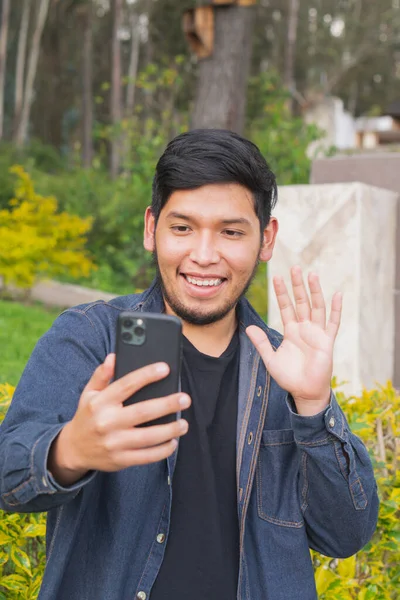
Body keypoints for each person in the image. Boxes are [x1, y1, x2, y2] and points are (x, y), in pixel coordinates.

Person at [0, 129, 378, 600]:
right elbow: (9, 477)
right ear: (150, 229)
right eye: (182, 228)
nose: (203, 255)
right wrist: (70, 450)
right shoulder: (89, 338)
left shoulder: (286, 368)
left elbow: (346, 535)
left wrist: (314, 406)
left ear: (266, 238)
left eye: (231, 231)